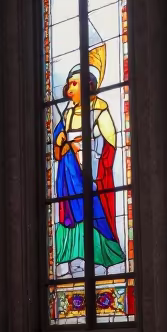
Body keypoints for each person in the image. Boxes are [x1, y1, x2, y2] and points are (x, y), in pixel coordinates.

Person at [52, 43, 124, 276]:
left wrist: (87, 147)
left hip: (89, 172)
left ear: (88, 85)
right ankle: (72, 258)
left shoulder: (99, 110)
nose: (68, 88)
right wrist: (63, 142)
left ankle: (99, 258)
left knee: (92, 211)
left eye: (74, 83)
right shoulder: (68, 112)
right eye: (69, 84)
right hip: (68, 173)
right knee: (70, 216)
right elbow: (58, 145)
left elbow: (109, 144)